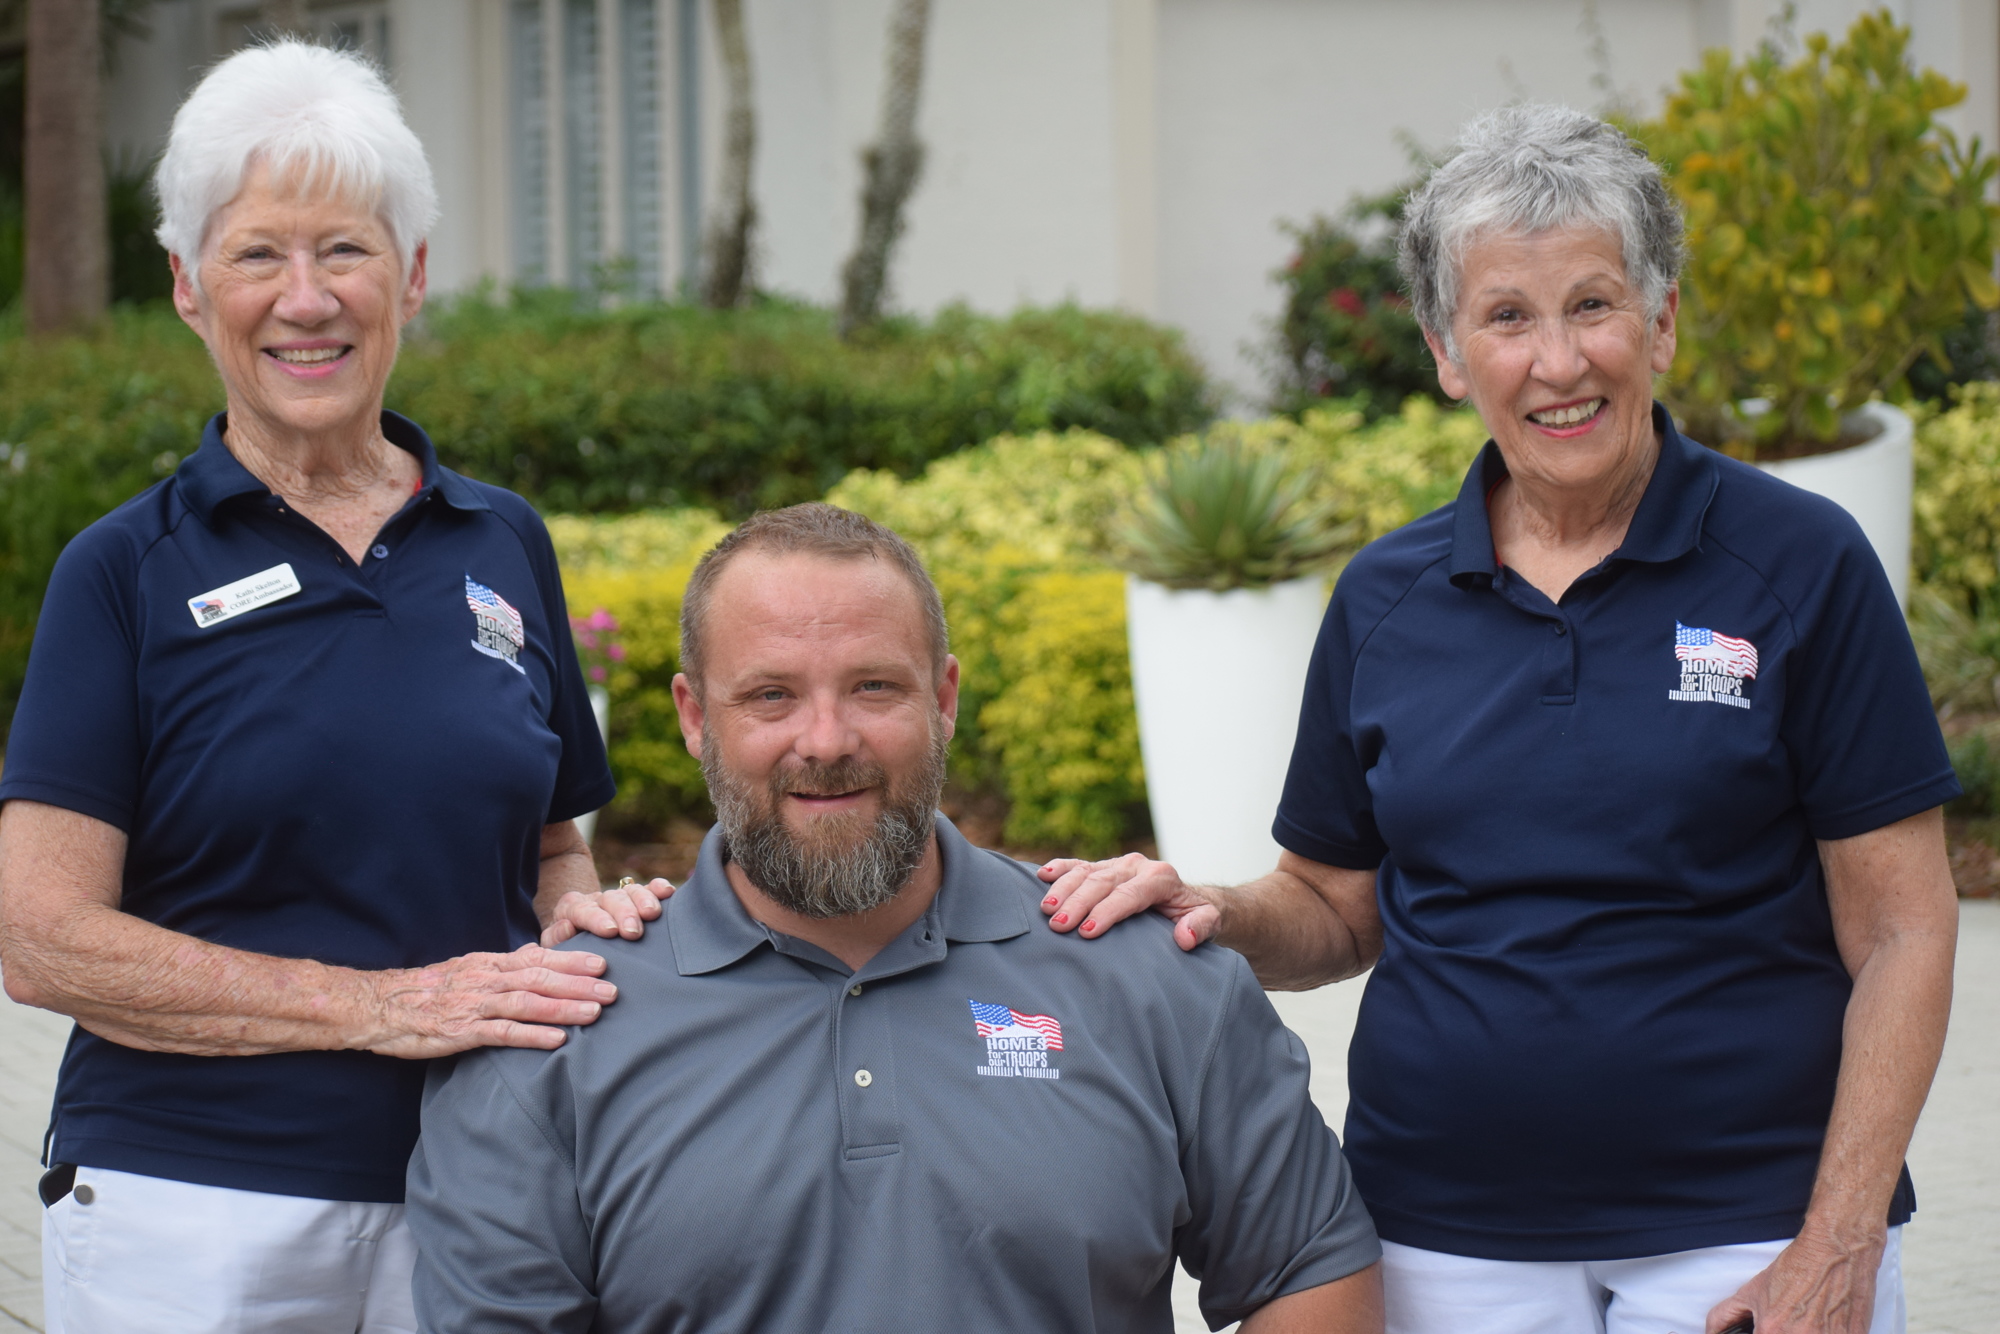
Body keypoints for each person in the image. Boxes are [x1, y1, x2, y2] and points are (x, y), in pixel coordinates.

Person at [1039, 105, 1959, 1334]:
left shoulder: (1800, 564)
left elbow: (1902, 926)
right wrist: (1198, 907)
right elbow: (1329, 903)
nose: (1558, 362)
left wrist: (1839, 1238)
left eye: (1592, 305)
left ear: (1662, 321)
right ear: (1446, 352)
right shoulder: (1385, 596)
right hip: (1439, 1234)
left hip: (1746, 1233)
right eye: (1507, 317)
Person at [0, 41, 662, 1333]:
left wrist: (584, 929)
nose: (307, 298)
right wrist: (379, 1008)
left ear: (410, 277)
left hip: (477, 1192)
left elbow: (550, 848)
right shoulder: (123, 572)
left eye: (345, 250)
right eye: (259, 254)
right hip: (188, 1207)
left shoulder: (500, 541)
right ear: (190, 288)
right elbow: (39, 938)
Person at [405, 504, 1384, 1333]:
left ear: (944, 697)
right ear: (694, 714)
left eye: (873, 685)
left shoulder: (1145, 970)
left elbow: (1308, 1265)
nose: (825, 741)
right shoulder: (551, 1032)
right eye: (771, 695)